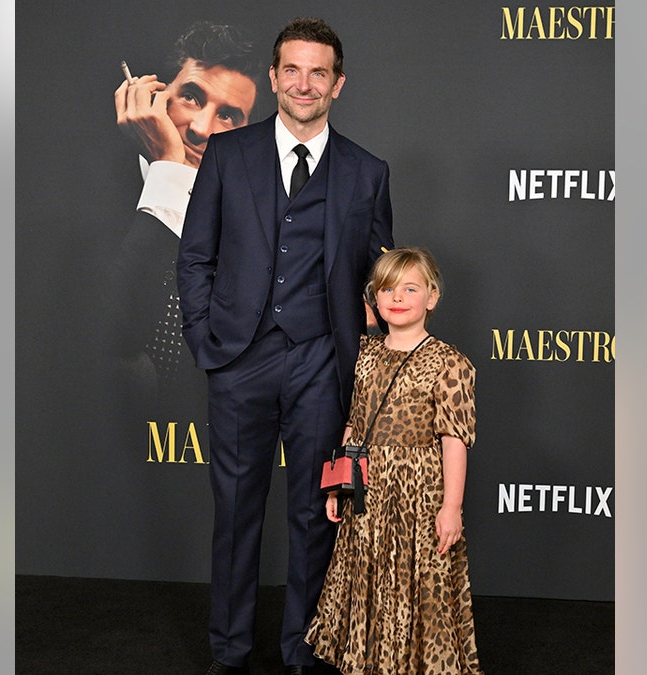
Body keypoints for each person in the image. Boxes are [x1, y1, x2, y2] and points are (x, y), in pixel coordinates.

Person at [176, 17, 394, 675]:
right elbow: (195, 258)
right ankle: (231, 650)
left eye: (318, 72)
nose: (304, 84)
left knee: (316, 512)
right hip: (240, 359)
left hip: (323, 363)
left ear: (338, 83)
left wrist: (368, 356)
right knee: (237, 513)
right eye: (291, 70)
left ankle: (304, 647)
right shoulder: (226, 154)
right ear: (273, 78)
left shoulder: (367, 172)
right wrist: (206, 339)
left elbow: (380, 281)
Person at [305, 247, 482, 674]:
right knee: (368, 580)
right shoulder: (364, 355)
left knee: (414, 584)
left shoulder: (449, 362)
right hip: (368, 492)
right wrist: (338, 484)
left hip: (418, 495)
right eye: (387, 288)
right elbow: (355, 423)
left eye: (410, 288)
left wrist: (451, 507)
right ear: (375, 298)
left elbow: (454, 439)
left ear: (432, 297)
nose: (397, 297)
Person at [108, 21, 262, 399]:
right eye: (192, 96)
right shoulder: (75, 198)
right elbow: (113, 344)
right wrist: (169, 171)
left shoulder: (256, 228)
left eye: (228, 116)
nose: (200, 128)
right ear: (155, 95)